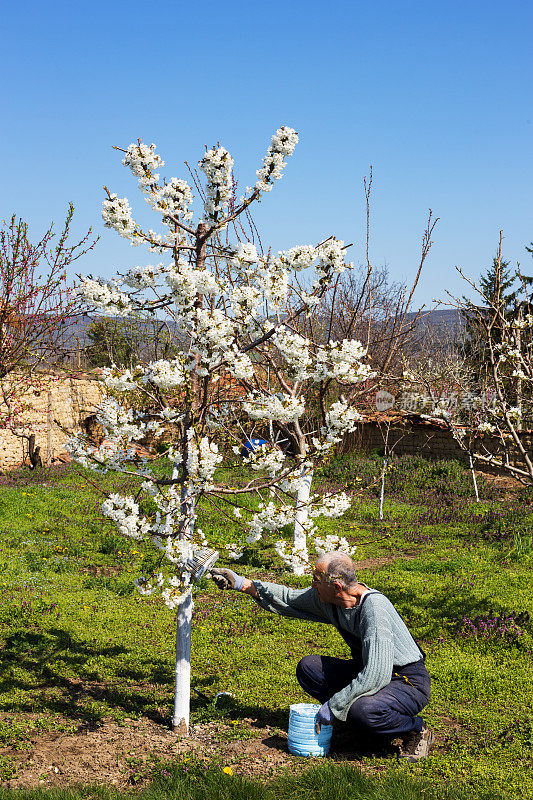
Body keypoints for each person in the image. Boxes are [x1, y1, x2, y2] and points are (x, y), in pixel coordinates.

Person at [210, 551, 433, 760]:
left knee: (364, 710)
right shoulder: (330, 599)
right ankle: (354, 725)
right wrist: (242, 584)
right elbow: (289, 598)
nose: (312, 585)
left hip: (405, 681)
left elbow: (376, 675)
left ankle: (414, 729)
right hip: (369, 670)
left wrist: (335, 705)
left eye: (316, 580)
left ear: (336, 585)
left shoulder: (374, 609)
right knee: (310, 668)